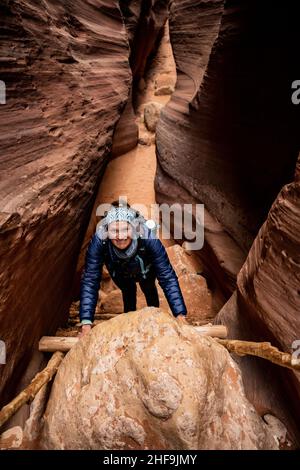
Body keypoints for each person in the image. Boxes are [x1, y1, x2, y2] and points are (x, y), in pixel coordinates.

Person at [78, 200, 187, 337]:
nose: (120, 236)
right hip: (120, 272)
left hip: (145, 270)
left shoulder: (147, 236)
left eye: (125, 229)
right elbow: (90, 280)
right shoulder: (100, 240)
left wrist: (180, 316)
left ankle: (154, 322)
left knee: (148, 289)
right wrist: (86, 323)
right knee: (128, 292)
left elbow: (167, 276)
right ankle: (128, 328)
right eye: (114, 231)